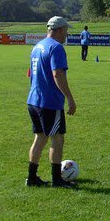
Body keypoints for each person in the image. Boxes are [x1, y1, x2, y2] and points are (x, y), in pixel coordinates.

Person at [26, 16, 77, 188]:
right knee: (57, 138)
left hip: (34, 100)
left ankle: (31, 178)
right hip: (49, 102)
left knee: (40, 137)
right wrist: (69, 98)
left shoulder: (37, 46)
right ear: (60, 29)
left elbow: (31, 74)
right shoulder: (56, 47)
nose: (67, 34)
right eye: (66, 31)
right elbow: (58, 74)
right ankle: (57, 180)